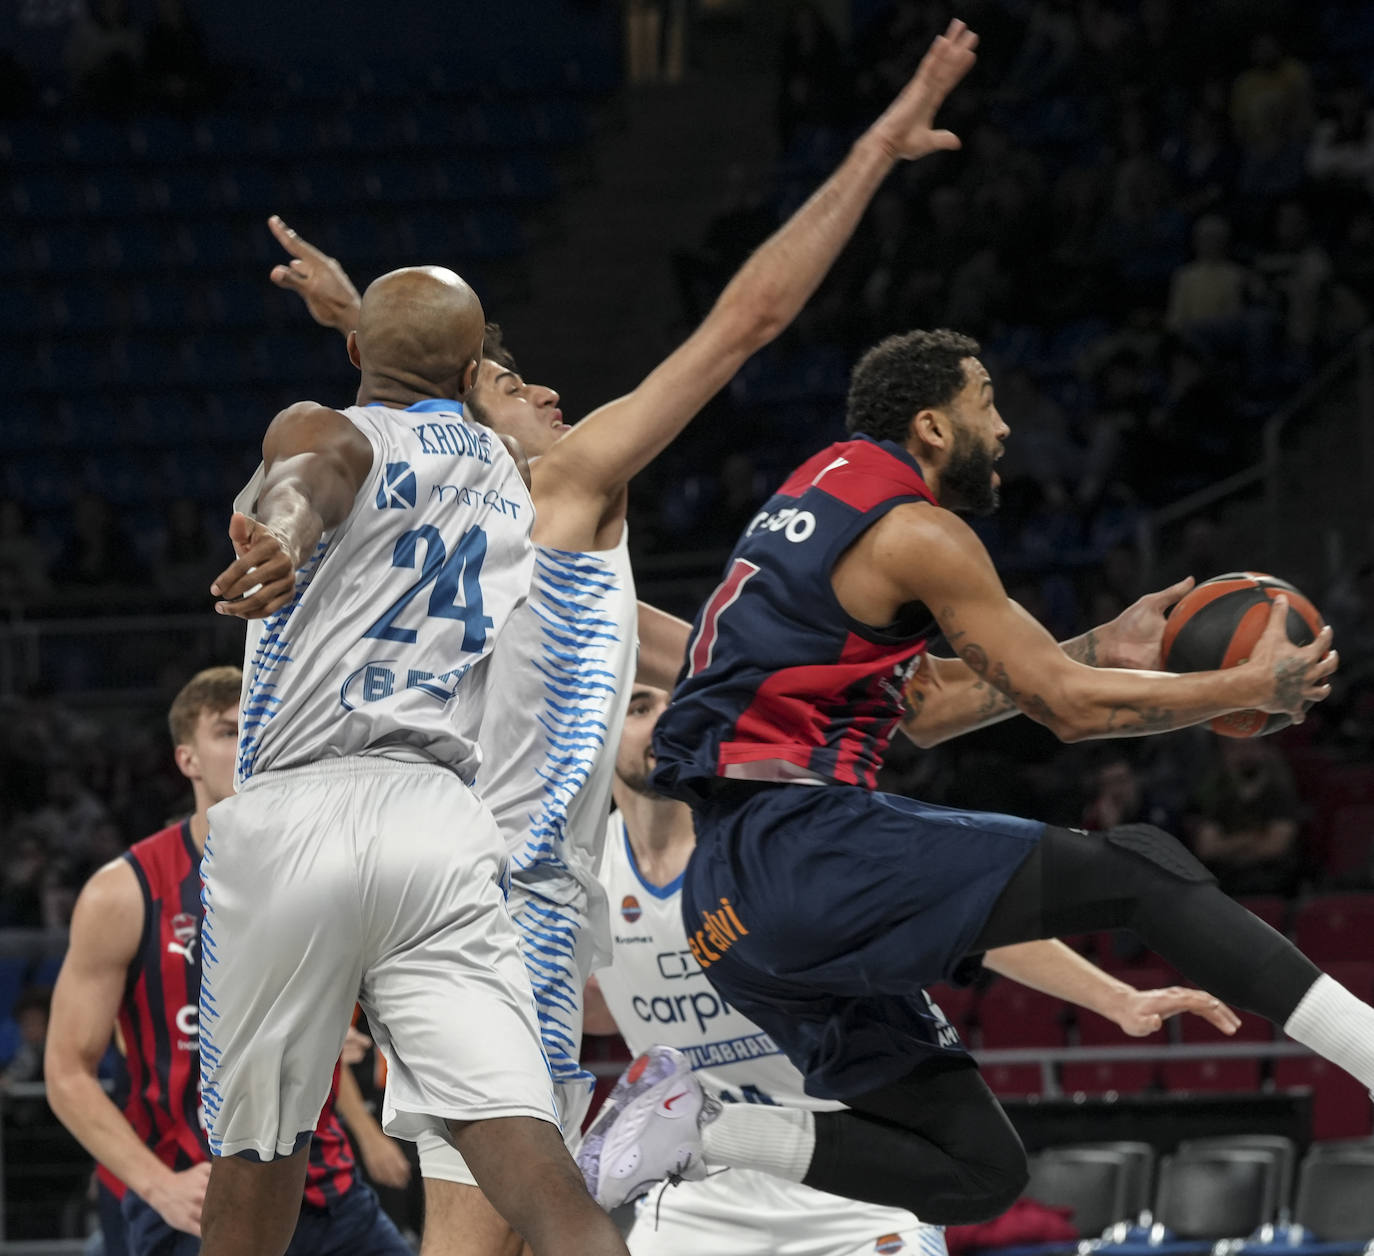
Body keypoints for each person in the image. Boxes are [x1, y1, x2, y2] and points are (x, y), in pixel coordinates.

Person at [264, 23, 983, 1256]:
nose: (548, 392)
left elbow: (881, 705)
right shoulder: (562, 497)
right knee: (537, 1229)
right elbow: (747, 318)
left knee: (474, 1235)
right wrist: (870, 149)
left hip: (412, 895)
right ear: (485, 427)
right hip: (499, 912)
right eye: (516, 389)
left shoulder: (481, 535)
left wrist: (355, 318)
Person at [578, 327, 1365, 1225]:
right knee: (1145, 872)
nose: (1004, 427)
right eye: (985, 400)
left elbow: (928, 706)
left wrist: (1104, 645)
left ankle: (706, 1130)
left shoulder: (818, 500)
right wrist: (1247, 687)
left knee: (977, 1172)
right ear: (933, 426)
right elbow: (1067, 710)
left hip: (727, 908)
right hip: (801, 844)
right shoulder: (917, 530)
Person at [197, 266, 625, 1256]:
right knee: (526, 1151)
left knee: (259, 1145)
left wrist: (284, 533)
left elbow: (316, 467)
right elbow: (447, 392)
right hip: (440, 820)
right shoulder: (514, 476)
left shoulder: (326, 422)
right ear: (477, 368)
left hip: (298, 809)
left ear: (352, 354)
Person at [585, 684, 1241, 1253]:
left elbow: (960, 908)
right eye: (642, 706)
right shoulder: (583, 876)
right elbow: (605, 1001)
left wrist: (1115, 998)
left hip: (856, 1185)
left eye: (688, 705)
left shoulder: (774, 838)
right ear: (600, 729)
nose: (673, 722)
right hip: (703, 1204)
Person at [44, 667, 409, 1255]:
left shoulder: (331, 871)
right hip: (198, 1194)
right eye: (228, 731)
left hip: (327, 1191)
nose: (251, 744)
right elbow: (66, 1072)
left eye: (261, 727)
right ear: (187, 760)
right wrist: (158, 1185)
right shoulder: (126, 892)